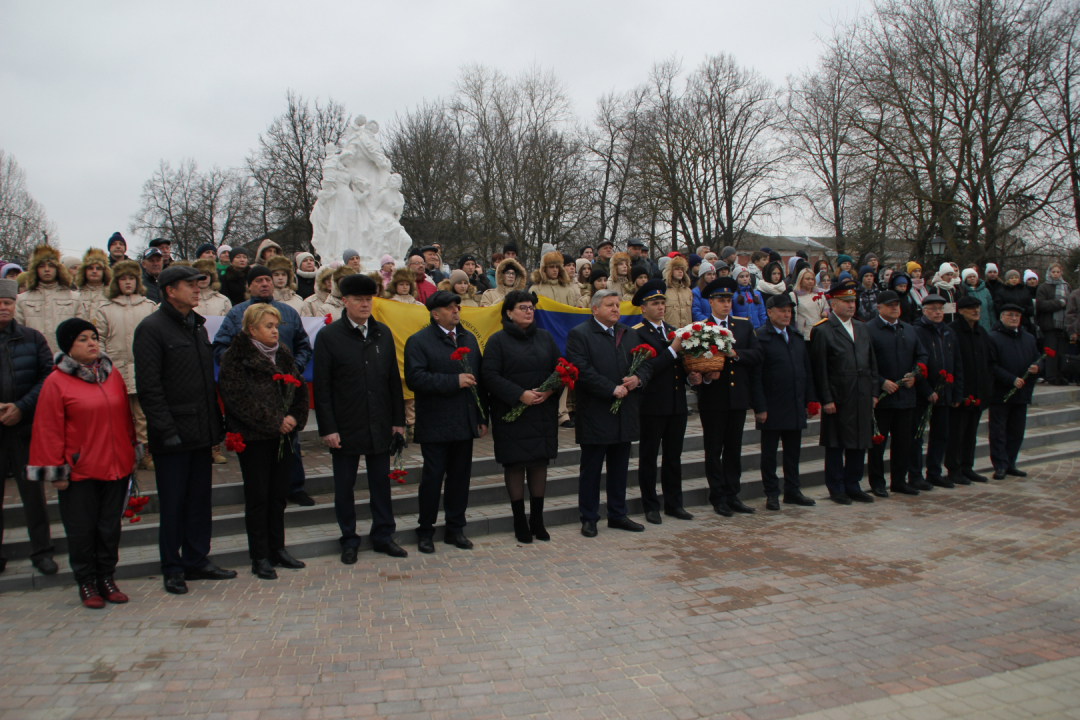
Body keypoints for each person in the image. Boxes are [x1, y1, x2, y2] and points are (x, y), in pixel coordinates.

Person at [133, 265, 235, 595]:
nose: (196, 289)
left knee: (199, 501)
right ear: (169, 291)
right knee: (174, 503)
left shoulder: (197, 326)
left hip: (201, 429)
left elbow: (206, 382)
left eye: (197, 284)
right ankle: (172, 566)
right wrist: (164, 429)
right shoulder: (152, 328)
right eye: (188, 285)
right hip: (172, 434)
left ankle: (197, 559)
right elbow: (149, 386)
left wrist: (215, 425)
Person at [27, 318, 136, 607]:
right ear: (68, 347)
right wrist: (56, 470)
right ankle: (86, 582)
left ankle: (106, 577)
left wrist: (131, 450)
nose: (91, 343)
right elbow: (47, 429)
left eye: (94, 337)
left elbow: (125, 417)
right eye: (83, 339)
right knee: (82, 529)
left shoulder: (111, 376)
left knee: (109, 527)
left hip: (116, 466)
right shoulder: (56, 382)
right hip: (80, 471)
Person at [315, 274, 408, 562]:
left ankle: (383, 535)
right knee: (345, 486)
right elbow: (322, 387)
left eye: (369, 299)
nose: (365, 304)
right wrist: (328, 427)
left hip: (379, 422)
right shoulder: (329, 336)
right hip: (346, 425)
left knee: (381, 482)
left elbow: (394, 381)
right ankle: (349, 539)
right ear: (345, 301)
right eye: (358, 299)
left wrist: (398, 421)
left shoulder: (382, 333)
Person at [217, 304, 308, 579]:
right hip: (255, 438)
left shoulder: (282, 353)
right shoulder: (235, 356)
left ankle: (277, 549)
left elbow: (297, 386)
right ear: (252, 329)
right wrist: (274, 421)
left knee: (278, 495)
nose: (274, 331)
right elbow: (237, 400)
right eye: (268, 326)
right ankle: (260, 556)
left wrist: (293, 418)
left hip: (282, 436)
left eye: (276, 326)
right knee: (258, 497)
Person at [213, 265, 314, 506]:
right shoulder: (237, 314)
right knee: (260, 454)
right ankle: (265, 493)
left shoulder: (288, 313)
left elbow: (303, 345)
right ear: (249, 286)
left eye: (268, 279)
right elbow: (220, 348)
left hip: (285, 389)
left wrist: (294, 370)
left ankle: (294, 486)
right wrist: (244, 369)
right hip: (254, 396)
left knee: (291, 441)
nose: (265, 284)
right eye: (258, 280)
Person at [404, 291, 489, 554]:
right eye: (449, 308)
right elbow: (415, 379)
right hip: (435, 422)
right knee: (432, 478)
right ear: (435, 313)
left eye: (457, 307)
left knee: (460, 478)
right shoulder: (419, 341)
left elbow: (480, 380)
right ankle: (426, 530)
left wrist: (481, 415)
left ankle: (455, 528)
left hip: (464, 421)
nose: (456, 311)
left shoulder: (469, 338)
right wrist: (454, 381)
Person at [566, 290, 653, 537]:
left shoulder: (629, 333)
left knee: (619, 468)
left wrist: (639, 379)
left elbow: (645, 363)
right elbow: (580, 370)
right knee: (592, 469)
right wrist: (610, 389)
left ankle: (617, 514)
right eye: (609, 305)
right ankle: (589, 517)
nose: (616, 309)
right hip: (596, 412)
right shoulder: (580, 334)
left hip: (624, 412)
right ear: (595, 309)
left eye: (617, 304)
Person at [481, 290, 562, 543]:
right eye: (523, 308)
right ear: (508, 312)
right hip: (512, 414)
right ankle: (519, 520)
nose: (529, 312)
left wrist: (550, 390)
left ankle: (537, 520)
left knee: (539, 463)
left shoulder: (546, 338)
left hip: (541, 412)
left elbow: (560, 369)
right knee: (515, 464)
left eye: (531, 308)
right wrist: (519, 395)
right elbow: (490, 377)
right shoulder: (497, 341)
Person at [693, 277, 763, 515]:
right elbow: (694, 363)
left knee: (734, 449)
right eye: (721, 300)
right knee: (714, 449)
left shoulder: (742, 326)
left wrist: (735, 354)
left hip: (737, 397)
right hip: (714, 397)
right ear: (710, 302)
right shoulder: (701, 329)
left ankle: (733, 494)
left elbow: (757, 355)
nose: (726, 304)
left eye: (729, 300)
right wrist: (706, 376)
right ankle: (718, 496)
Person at [0, 278, 55, 576]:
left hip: (24, 428)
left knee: (33, 494)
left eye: (8, 302)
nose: (3, 307)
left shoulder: (32, 339)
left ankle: (42, 551)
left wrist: (21, 408)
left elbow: (47, 376)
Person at [808, 278, 879, 505]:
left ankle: (853, 484)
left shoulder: (862, 327)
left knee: (860, 441)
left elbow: (872, 362)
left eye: (853, 301)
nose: (851, 305)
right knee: (836, 443)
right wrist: (826, 398)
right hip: (839, 395)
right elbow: (820, 369)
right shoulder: (824, 330)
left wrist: (874, 391)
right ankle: (836, 487)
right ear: (833, 303)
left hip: (862, 392)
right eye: (846, 301)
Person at [631, 280, 695, 524]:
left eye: (662, 303)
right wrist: (672, 350)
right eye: (654, 303)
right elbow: (646, 368)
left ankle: (674, 504)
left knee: (673, 457)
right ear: (643, 308)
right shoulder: (637, 332)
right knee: (649, 458)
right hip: (652, 405)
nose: (660, 307)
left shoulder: (673, 330)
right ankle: (651, 506)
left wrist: (693, 375)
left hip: (677, 403)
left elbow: (680, 366)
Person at [750, 293, 819, 510]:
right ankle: (771, 492)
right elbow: (755, 377)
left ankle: (792, 490)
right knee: (769, 454)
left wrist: (810, 400)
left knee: (793, 451)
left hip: (795, 403)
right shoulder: (761, 337)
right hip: (772, 406)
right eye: (782, 310)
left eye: (789, 310)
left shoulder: (796, 337)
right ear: (769, 312)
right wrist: (760, 407)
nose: (787, 314)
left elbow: (806, 371)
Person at [94, 260, 158, 471]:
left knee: (142, 414)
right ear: (116, 282)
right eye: (123, 279)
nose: (128, 282)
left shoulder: (149, 306)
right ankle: (123, 453)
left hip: (142, 368)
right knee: (118, 414)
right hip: (115, 369)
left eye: (131, 278)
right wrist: (104, 364)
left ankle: (145, 452)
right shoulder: (105, 309)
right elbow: (99, 339)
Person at [865, 290, 928, 497]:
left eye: (897, 305)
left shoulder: (909, 330)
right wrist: (882, 382)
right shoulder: (869, 330)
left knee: (903, 442)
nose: (895, 308)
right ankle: (877, 482)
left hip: (906, 397)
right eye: (890, 305)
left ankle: (899, 481)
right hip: (883, 399)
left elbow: (921, 356)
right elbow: (865, 361)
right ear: (879, 307)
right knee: (878, 444)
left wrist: (916, 375)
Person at [908, 294, 963, 489]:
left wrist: (956, 392)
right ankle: (915, 475)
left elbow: (956, 364)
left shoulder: (948, 333)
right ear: (924, 311)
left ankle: (934, 472)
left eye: (941, 309)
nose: (938, 312)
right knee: (917, 436)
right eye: (933, 309)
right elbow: (916, 364)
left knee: (941, 435)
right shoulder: (917, 331)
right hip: (924, 394)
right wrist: (926, 389)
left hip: (944, 393)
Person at [988, 304, 1041, 479]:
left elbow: (1038, 358)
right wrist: (1010, 379)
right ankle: (1000, 465)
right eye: (1010, 315)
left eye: (1017, 315)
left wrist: (1037, 367)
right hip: (1001, 393)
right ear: (1001, 317)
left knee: (1016, 431)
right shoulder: (993, 337)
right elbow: (991, 365)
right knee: (999, 431)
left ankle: (1011, 462)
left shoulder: (1028, 338)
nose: (1014, 318)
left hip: (1022, 392)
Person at [945, 295, 994, 484]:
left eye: (978, 308)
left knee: (971, 434)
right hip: (960, 393)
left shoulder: (981, 332)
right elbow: (951, 363)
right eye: (971, 308)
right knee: (956, 434)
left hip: (978, 392)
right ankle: (954, 469)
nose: (976, 311)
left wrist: (986, 387)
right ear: (961, 311)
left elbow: (988, 362)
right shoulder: (953, 331)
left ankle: (967, 467)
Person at [15, 245, 80, 355]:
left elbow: (81, 333)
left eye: (51, 265)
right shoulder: (21, 299)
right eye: (41, 266)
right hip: (34, 360)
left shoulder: (74, 298)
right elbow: (17, 335)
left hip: (67, 359)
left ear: (58, 268)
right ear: (35, 269)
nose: (46, 269)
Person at [1036, 263, 1070, 385]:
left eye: (1058, 272)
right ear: (1049, 273)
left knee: (1062, 352)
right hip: (1049, 324)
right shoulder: (1044, 287)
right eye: (1053, 271)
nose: (1056, 274)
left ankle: (1061, 375)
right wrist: (1059, 303)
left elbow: (1070, 303)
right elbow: (1041, 305)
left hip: (1063, 325)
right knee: (1051, 351)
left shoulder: (1066, 286)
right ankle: (1051, 376)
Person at [75, 248, 111, 321]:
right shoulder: (76, 294)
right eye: (90, 268)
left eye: (98, 268)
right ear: (84, 271)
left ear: (105, 272)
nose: (94, 271)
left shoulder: (111, 294)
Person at [793, 268, 827, 338]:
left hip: (819, 332)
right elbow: (794, 316)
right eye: (807, 279)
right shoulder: (794, 295)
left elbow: (826, 307)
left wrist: (826, 313)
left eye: (812, 279)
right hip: (803, 334)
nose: (810, 281)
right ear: (801, 280)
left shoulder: (820, 294)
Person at [661, 255, 693, 328]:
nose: (680, 271)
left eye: (682, 269)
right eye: (677, 269)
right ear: (670, 271)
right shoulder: (664, 290)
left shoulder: (688, 291)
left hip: (686, 333)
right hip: (670, 332)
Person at [959, 268, 994, 333]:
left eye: (974, 276)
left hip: (986, 325)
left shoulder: (985, 291)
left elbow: (991, 309)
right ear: (965, 279)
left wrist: (993, 324)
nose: (972, 278)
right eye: (969, 277)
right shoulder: (962, 292)